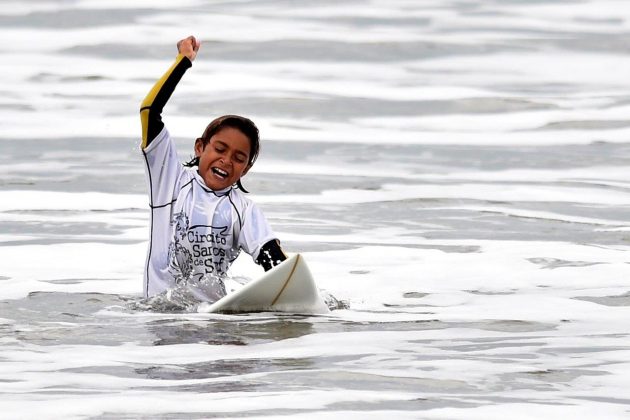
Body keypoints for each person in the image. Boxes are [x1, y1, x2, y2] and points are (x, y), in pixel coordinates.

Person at [139, 35, 286, 302]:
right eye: (219, 149)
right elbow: (150, 110)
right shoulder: (169, 180)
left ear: (246, 168)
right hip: (161, 313)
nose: (226, 161)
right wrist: (182, 62)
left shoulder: (244, 210)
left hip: (212, 320)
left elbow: (271, 258)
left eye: (239, 157)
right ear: (200, 147)